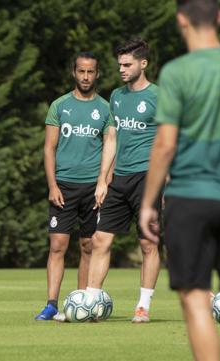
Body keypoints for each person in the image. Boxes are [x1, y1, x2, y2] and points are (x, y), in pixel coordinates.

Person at [139, 1, 220, 360]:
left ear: (181, 19)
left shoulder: (177, 72)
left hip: (189, 198)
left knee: (197, 299)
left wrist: (149, 202)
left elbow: (165, 144)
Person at [35, 52, 115, 321]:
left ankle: (83, 301)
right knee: (57, 245)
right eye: (81, 71)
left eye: (90, 72)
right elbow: (49, 148)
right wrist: (52, 185)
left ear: (97, 74)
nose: (85, 76)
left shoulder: (105, 109)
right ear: (74, 72)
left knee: (88, 246)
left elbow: (110, 149)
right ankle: (51, 304)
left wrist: (104, 183)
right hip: (64, 187)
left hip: (93, 189)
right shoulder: (59, 105)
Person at [86, 38, 161, 323]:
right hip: (120, 178)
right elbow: (112, 139)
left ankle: (143, 306)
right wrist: (103, 180)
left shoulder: (158, 97)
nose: (122, 69)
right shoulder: (116, 96)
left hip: (148, 177)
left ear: (143, 64)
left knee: (147, 243)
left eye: (127, 64)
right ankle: (91, 300)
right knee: (100, 239)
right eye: (119, 64)